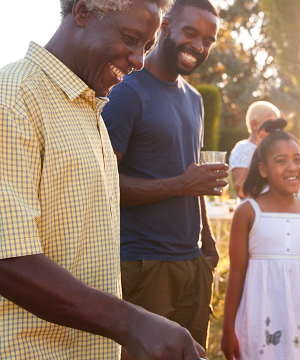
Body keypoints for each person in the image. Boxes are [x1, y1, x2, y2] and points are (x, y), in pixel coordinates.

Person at [0, 0, 210, 359]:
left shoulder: (91, 106)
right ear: (82, 12)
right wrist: (131, 323)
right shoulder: (14, 99)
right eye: (130, 38)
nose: (139, 60)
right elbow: (9, 261)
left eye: (145, 46)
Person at [101, 0, 225, 354]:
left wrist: (209, 245)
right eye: (191, 33)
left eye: (208, 41)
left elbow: (193, 178)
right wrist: (181, 185)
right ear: (165, 27)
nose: (199, 47)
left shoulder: (196, 99)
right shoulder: (127, 91)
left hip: (193, 263)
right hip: (144, 264)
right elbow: (103, 184)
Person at [221, 119, 300, 360]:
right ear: (263, 169)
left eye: (298, 159)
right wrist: (227, 331)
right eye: (281, 160)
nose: (292, 167)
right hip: (261, 318)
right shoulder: (248, 212)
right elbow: (236, 274)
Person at [229, 101, 280, 200]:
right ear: (254, 124)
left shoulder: (275, 149)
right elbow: (241, 190)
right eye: (270, 124)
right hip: (254, 211)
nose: (275, 129)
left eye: (276, 124)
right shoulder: (243, 148)